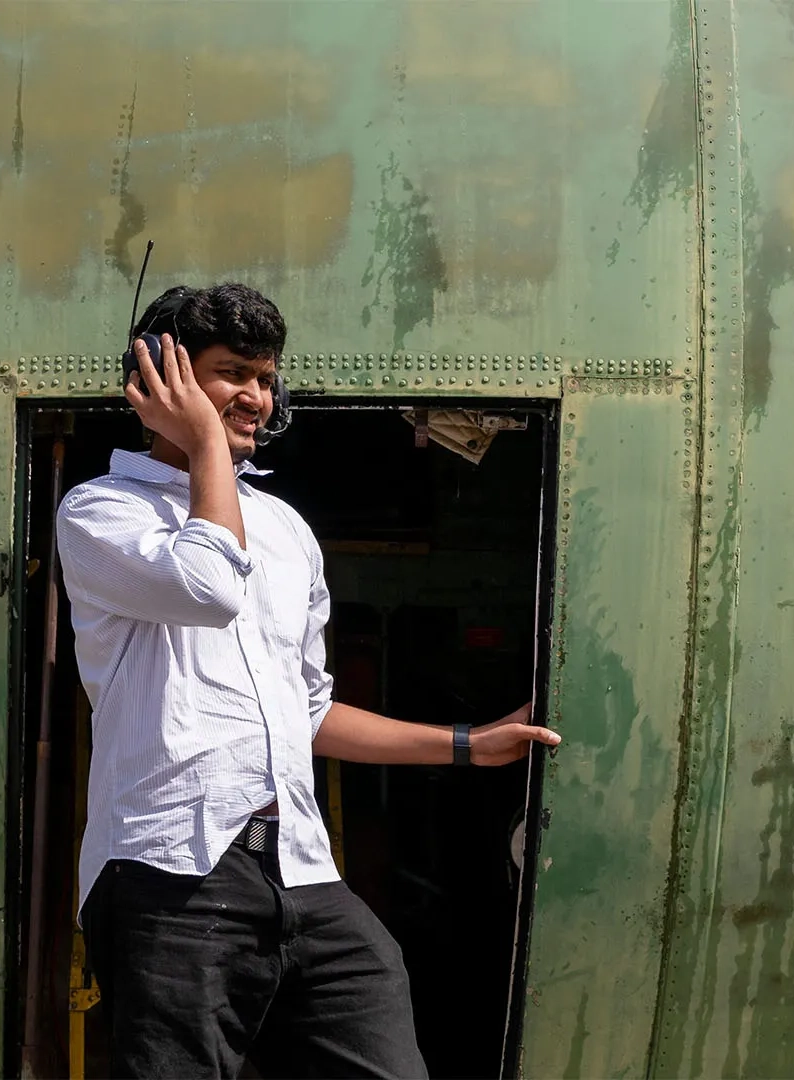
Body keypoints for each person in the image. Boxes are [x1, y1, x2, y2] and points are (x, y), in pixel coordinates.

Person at [54, 282, 562, 1079]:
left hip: (299, 867)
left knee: (381, 1028)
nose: (256, 397)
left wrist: (468, 745)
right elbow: (208, 586)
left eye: (265, 377)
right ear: (162, 379)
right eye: (232, 374)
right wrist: (207, 448)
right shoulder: (101, 513)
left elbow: (308, 710)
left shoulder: (285, 530)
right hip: (172, 872)